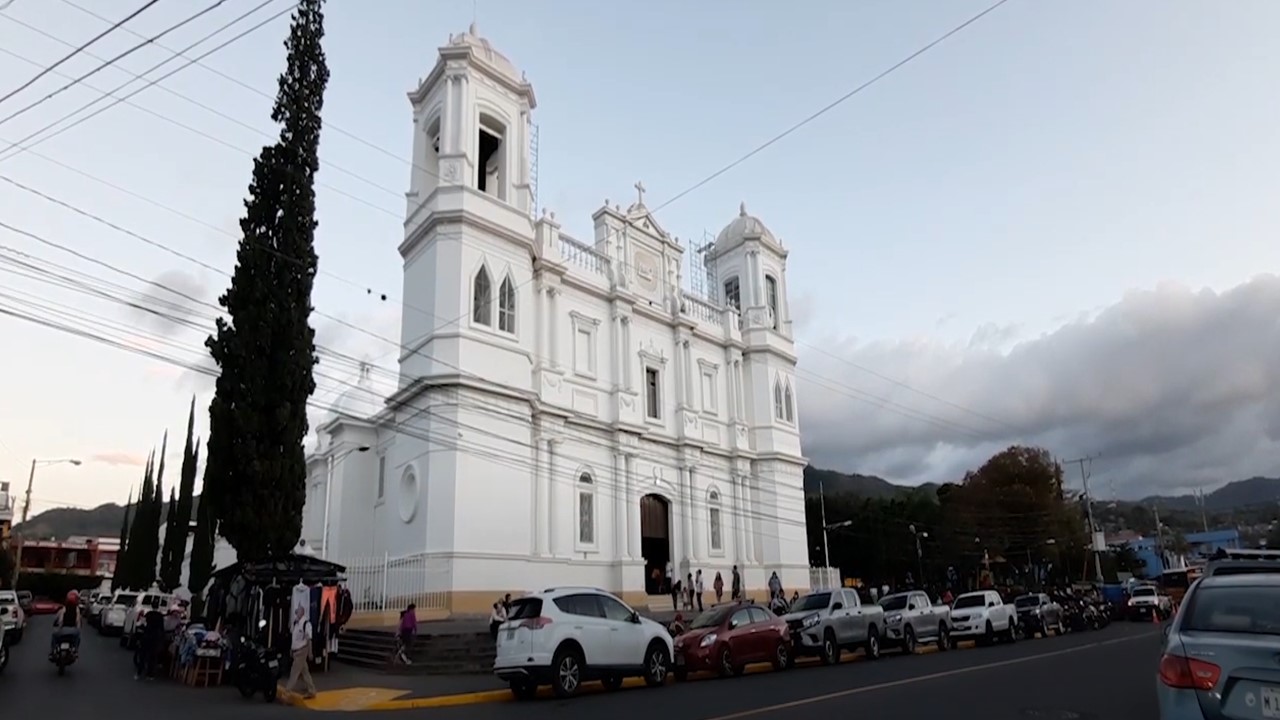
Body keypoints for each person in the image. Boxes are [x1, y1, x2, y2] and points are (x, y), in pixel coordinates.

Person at [285, 605, 317, 699]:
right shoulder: (296, 623)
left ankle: (287, 692)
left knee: (294, 672)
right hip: (296, 650)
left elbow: (309, 639)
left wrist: (310, 652)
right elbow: (294, 639)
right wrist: (292, 649)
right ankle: (312, 690)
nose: (296, 613)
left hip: (302, 650)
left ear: (302, 612)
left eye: (297, 611)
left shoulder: (306, 624)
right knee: (305, 671)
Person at [135, 597, 166, 680]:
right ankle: (150, 674)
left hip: (146, 636)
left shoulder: (148, 614)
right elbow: (162, 628)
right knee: (153, 656)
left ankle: (139, 673)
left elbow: (142, 624)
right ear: (158, 606)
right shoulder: (160, 616)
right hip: (155, 637)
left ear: (151, 606)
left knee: (143, 655)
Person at [50, 590, 82, 655]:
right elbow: (78, 623)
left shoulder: (63, 609)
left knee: (54, 636)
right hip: (73, 632)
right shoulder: (77, 610)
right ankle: (75, 650)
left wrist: (56, 625)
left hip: (62, 631)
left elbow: (58, 620)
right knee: (78, 638)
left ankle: (53, 651)